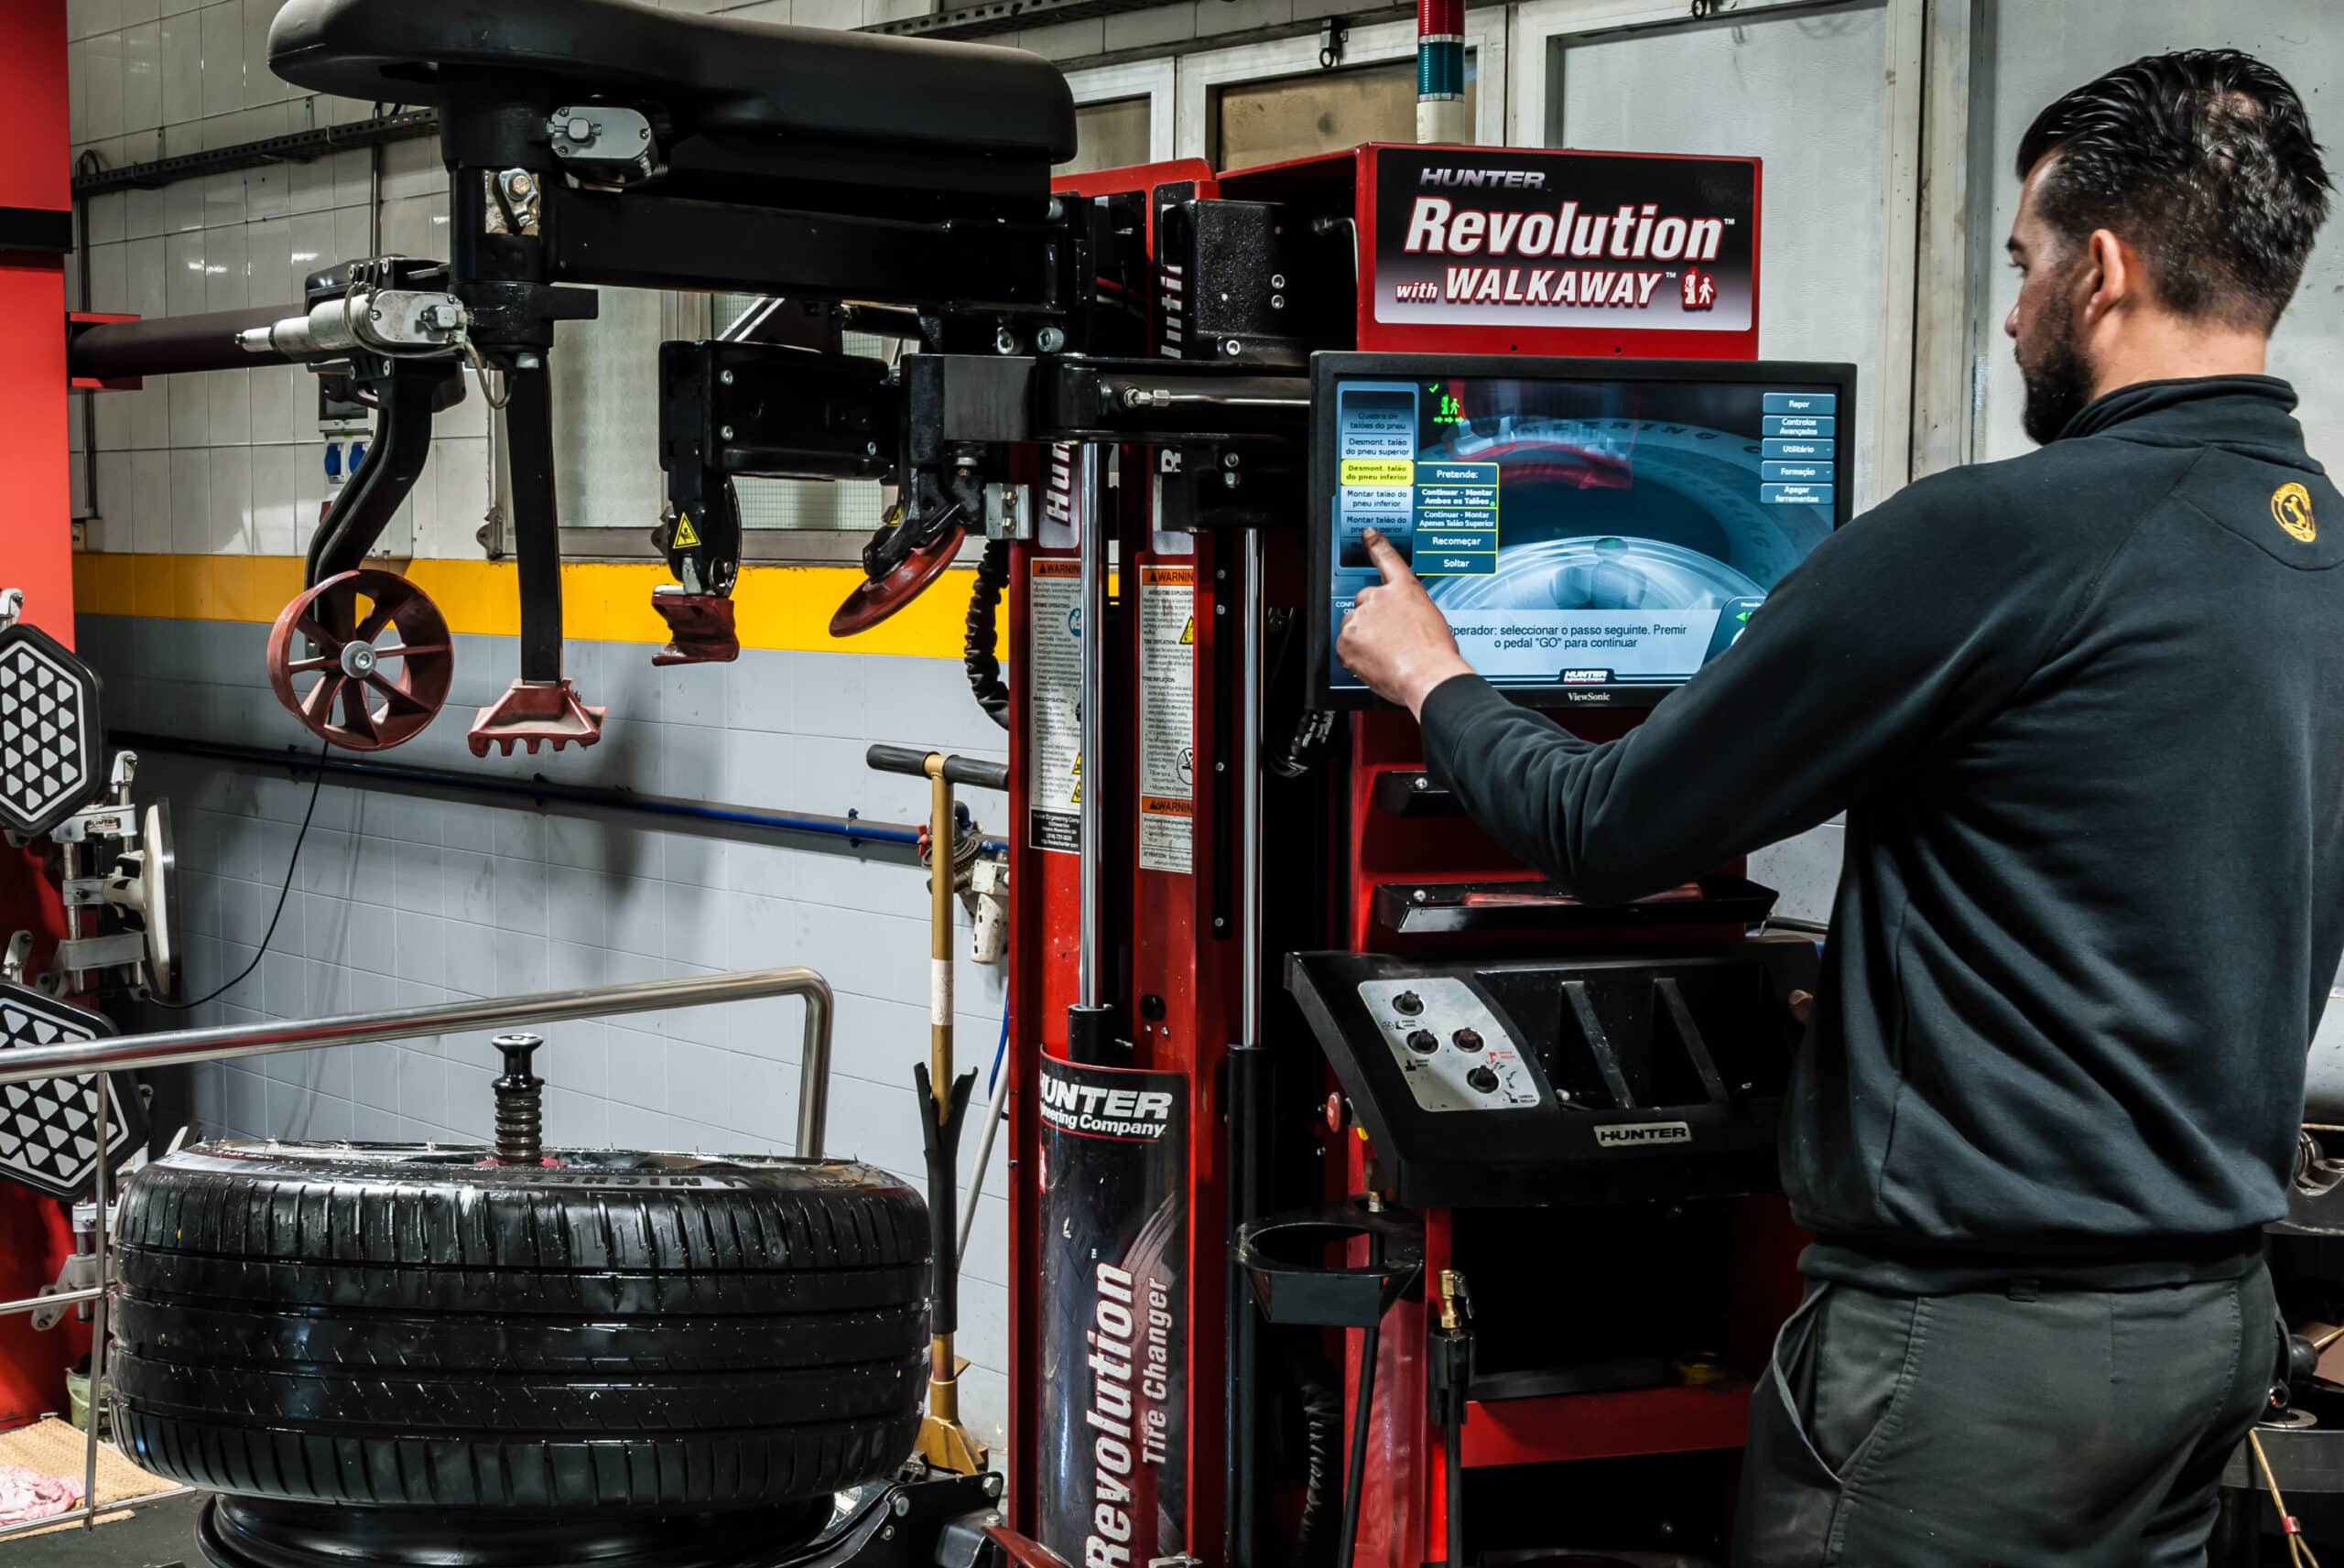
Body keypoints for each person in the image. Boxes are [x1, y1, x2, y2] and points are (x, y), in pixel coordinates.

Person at [1336, 49, 2337, 1567]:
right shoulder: (2319, 554)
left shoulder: (1997, 537)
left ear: (2104, 270)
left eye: (2024, 262)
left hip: (1973, 1367)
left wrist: (1436, 682)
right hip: (2204, 1333)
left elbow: (1609, 826)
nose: (2010, 308)